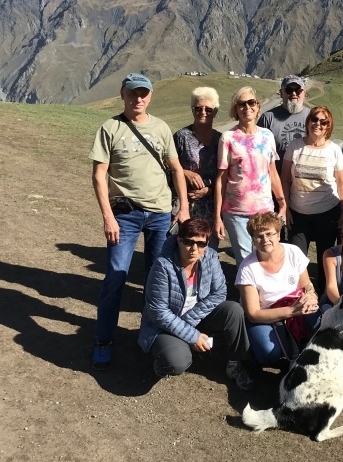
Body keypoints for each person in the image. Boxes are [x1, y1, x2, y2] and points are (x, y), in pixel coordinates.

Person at [89, 72, 190, 370]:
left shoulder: (160, 127)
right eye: (133, 93)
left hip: (160, 214)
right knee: (116, 278)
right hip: (125, 216)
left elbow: (176, 169)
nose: (138, 99)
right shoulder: (110, 128)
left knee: (157, 280)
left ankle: (152, 334)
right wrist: (108, 216)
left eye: (143, 93)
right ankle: (104, 339)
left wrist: (183, 207)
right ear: (123, 94)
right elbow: (98, 176)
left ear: (150, 96)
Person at [138, 218, 255, 390]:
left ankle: (235, 363)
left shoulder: (211, 256)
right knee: (176, 361)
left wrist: (190, 324)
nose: (194, 249)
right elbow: (158, 312)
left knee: (233, 310)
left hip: (196, 317)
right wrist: (192, 335)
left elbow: (219, 292)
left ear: (207, 244)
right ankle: (162, 364)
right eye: (188, 242)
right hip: (165, 326)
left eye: (201, 244)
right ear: (179, 240)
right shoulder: (162, 265)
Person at [235, 212, 321, 366]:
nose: (265, 240)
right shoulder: (247, 268)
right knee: (269, 353)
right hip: (265, 315)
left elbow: (305, 284)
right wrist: (291, 311)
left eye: (269, 234)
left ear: (279, 234)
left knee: (320, 324)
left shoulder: (293, 251)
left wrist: (311, 295)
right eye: (258, 236)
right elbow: (254, 314)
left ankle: (300, 352)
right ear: (253, 241)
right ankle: (248, 350)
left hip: (296, 305)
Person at [214, 87, 285, 267]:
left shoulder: (267, 136)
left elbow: (273, 172)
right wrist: (217, 216)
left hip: (264, 210)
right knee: (246, 262)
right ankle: (246, 296)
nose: (247, 107)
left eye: (251, 102)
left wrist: (282, 201)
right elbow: (221, 178)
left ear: (257, 106)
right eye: (241, 104)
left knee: (266, 257)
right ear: (235, 109)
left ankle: (265, 296)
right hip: (236, 212)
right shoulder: (228, 138)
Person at [281, 106, 343, 290]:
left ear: (329, 126)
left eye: (323, 121)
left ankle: (325, 301)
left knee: (325, 260)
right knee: (296, 259)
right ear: (308, 122)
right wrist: (284, 207)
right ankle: (299, 299)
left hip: (328, 213)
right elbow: (285, 180)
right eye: (314, 119)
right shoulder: (294, 146)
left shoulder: (334, 150)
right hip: (298, 213)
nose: (318, 124)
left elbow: (342, 183)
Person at [173, 87, 222, 230]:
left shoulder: (221, 139)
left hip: (211, 207)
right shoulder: (181, 136)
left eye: (208, 109)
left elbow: (225, 174)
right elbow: (167, 166)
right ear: (192, 110)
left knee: (208, 248)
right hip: (184, 204)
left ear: (215, 112)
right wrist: (185, 173)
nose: (203, 112)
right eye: (198, 108)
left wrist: (210, 190)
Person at [257, 75, 310, 171]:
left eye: (298, 90)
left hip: (305, 182)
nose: (294, 93)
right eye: (289, 90)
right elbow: (258, 152)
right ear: (281, 93)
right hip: (277, 181)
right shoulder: (268, 118)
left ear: (304, 93)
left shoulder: (313, 117)